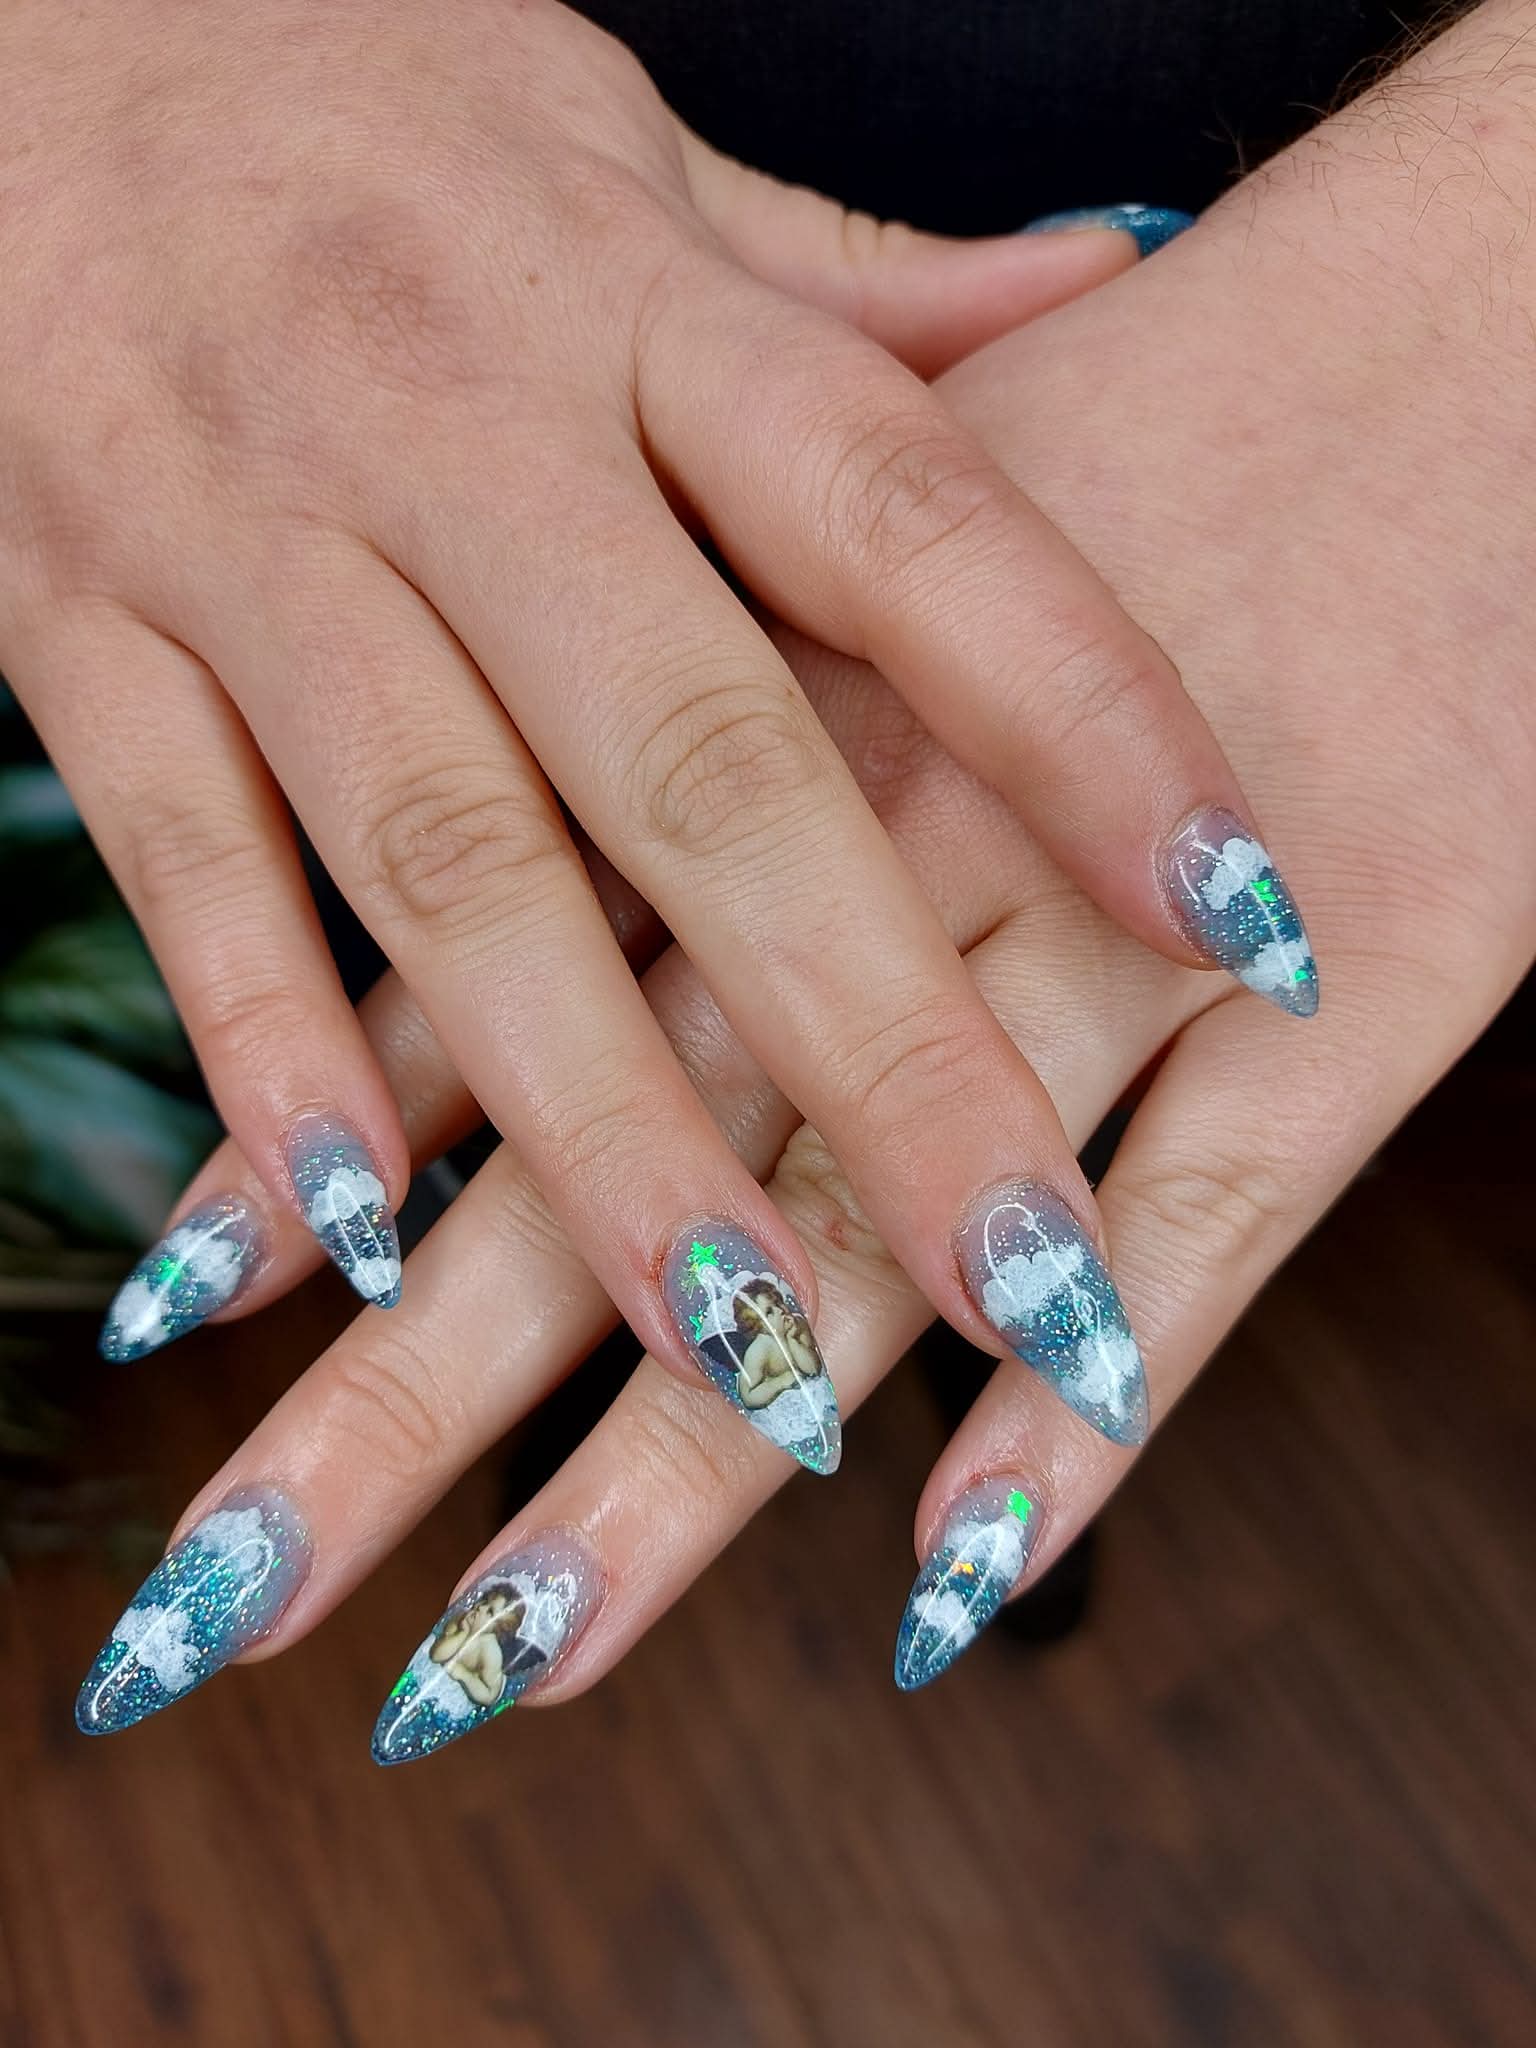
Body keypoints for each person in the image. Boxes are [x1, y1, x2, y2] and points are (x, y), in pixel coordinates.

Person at [49, 0, 1536, 1743]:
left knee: (1049, 1137)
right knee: (547, 1057)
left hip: (1343, 323)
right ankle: (657, 1363)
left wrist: (1466, 295)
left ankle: (973, 1370)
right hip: (391, 333)